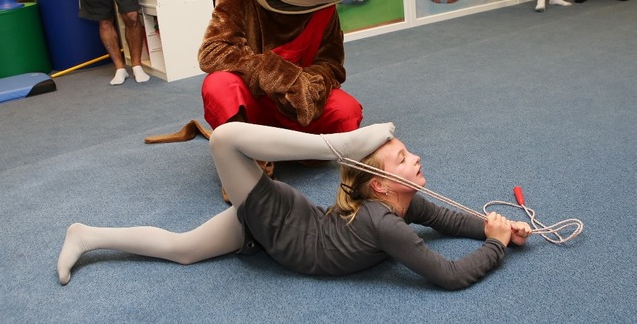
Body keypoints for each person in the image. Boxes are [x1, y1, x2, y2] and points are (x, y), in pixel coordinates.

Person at [57, 122, 532, 290]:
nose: (417, 158)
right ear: (381, 185)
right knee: (224, 139)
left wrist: (499, 228)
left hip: (285, 228)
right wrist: (495, 248)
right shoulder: (383, 221)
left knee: (182, 250)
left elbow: (448, 219)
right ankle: (335, 143)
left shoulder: (399, 203)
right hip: (281, 224)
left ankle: (87, 235)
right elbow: (448, 276)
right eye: (404, 159)